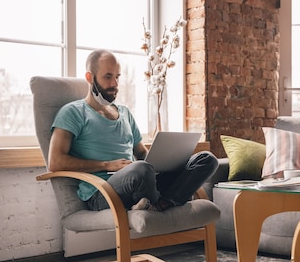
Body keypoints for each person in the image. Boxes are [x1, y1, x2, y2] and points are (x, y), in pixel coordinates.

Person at [48, 49, 218, 211]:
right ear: (89, 77)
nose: (114, 84)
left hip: (142, 182)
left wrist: (173, 161)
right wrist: (107, 165)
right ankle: (159, 201)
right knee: (141, 169)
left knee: (207, 159)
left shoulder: (124, 112)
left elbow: (142, 154)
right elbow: (55, 162)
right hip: (104, 193)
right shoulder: (73, 113)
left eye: (117, 77)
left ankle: (163, 204)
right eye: (108, 77)